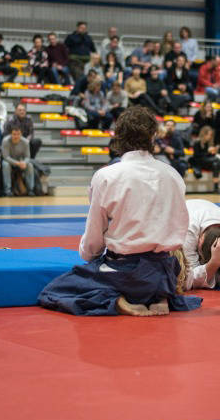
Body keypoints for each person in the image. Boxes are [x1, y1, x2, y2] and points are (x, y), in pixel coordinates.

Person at [38, 106, 202, 316]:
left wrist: (89, 256)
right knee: (150, 269)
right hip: (165, 271)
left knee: (55, 290)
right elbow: (179, 228)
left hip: (124, 273)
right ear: (153, 136)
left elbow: (93, 244)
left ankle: (116, 301)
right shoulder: (173, 175)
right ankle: (161, 296)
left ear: (119, 137)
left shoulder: (106, 176)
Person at [190, 125, 220, 192]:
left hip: (207, 162)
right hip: (199, 162)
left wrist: (213, 151)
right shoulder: (197, 142)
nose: (210, 136)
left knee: (216, 164)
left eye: (211, 135)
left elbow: (210, 156)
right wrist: (207, 152)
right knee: (217, 160)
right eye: (209, 135)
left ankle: (216, 187)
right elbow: (196, 156)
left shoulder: (209, 143)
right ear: (204, 134)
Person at [1, 125, 35, 196]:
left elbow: (27, 157)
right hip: (9, 161)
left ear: (21, 134)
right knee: (5, 164)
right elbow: (6, 157)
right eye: (14, 134)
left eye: (18, 134)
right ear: (11, 134)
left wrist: (24, 162)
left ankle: (30, 189)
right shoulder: (5, 141)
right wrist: (17, 163)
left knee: (30, 165)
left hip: (20, 161)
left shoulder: (25, 142)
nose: (16, 136)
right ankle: (7, 190)